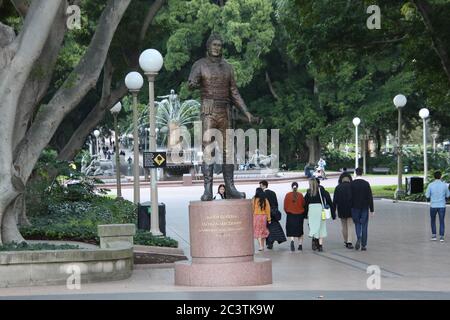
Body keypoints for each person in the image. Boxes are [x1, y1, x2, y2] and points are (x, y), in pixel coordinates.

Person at [188, 33, 259, 201]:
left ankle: (230, 186)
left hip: (225, 110)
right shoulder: (200, 65)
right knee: (208, 150)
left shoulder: (228, 67)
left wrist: (246, 112)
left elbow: (234, 92)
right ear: (208, 47)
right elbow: (191, 84)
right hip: (208, 110)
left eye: (219, 45)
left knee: (229, 151)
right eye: (214, 45)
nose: (217, 48)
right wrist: (192, 84)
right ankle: (207, 189)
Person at [304, 178, 335, 252]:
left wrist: (304, 214)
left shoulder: (309, 192)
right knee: (321, 227)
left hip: (312, 211)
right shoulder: (322, 191)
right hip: (320, 210)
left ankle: (314, 239)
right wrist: (333, 213)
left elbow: (305, 203)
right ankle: (320, 245)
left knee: (313, 226)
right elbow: (329, 201)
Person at [351, 168, 374, 251]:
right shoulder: (366, 184)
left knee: (357, 224)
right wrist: (372, 209)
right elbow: (370, 197)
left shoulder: (352, 184)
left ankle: (359, 237)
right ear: (362, 173)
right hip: (364, 207)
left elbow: (350, 197)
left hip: (355, 207)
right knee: (364, 225)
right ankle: (364, 245)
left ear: (355, 173)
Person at [260, 180, 286, 249]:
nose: (260, 187)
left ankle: (269, 242)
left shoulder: (263, 194)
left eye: (261, 185)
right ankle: (273, 240)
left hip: (266, 213)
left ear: (264, 185)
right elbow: (276, 203)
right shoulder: (273, 193)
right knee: (274, 226)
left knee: (267, 228)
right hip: (274, 212)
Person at [425, 171, 450, 242]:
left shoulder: (430, 185)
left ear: (434, 176)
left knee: (433, 220)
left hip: (433, 205)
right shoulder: (444, 185)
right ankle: (441, 237)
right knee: (441, 221)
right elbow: (448, 195)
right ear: (441, 176)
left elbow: (427, 195)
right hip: (442, 205)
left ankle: (434, 236)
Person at [333, 173, 354, 249]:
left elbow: (334, 201)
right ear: (349, 179)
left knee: (344, 226)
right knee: (350, 226)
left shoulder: (338, 187)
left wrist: (333, 211)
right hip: (350, 209)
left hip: (341, 209)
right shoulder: (352, 186)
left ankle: (345, 241)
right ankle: (349, 242)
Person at [283, 182, 306, 251]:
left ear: (291, 187)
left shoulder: (287, 195)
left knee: (292, 230)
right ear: (297, 187)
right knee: (300, 230)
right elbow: (303, 204)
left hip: (290, 215)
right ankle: (300, 245)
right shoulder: (300, 195)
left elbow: (285, 206)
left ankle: (292, 241)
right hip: (299, 215)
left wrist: (287, 212)